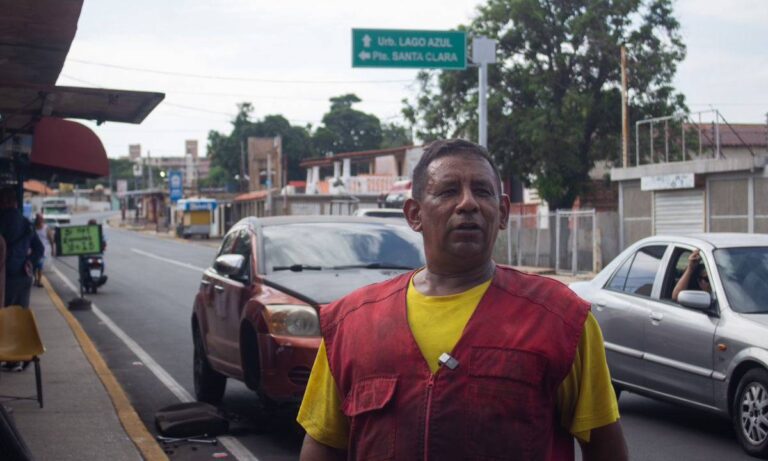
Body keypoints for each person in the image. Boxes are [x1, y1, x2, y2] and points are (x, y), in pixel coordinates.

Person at [297, 139, 628, 461]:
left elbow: (605, 446)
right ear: (414, 214)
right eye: (448, 191)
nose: (468, 203)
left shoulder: (562, 319)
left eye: (482, 191)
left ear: (501, 213)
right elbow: (324, 446)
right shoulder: (352, 323)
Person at [0, 187, 42, 308]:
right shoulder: (26, 223)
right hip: (23, 276)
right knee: (20, 316)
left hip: (4, 277)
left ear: (2, 202)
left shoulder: (2, 221)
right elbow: (40, 249)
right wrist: (28, 262)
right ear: (16, 203)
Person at [32, 213, 54, 287]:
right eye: (38, 219)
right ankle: (35, 279)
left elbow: (51, 240)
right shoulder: (33, 228)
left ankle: (39, 281)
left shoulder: (46, 228)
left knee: (40, 266)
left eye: (41, 219)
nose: (40, 220)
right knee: (34, 266)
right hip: (34, 250)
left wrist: (53, 250)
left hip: (43, 251)